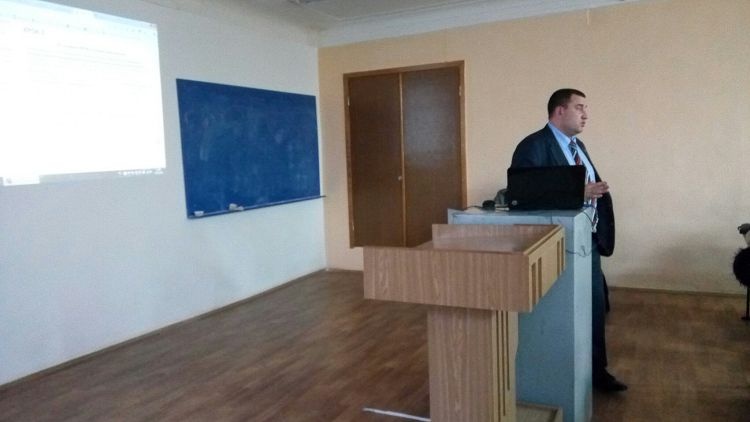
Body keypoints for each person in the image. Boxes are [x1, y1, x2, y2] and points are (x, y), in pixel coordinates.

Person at [510, 88, 627, 393]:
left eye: (586, 108)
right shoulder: (533, 146)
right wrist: (580, 192)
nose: (585, 114)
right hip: (557, 244)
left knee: (595, 307)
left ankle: (597, 372)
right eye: (579, 107)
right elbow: (522, 194)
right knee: (565, 312)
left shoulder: (578, 146)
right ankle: (562, 376)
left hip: (587, 240)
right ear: (559, 111)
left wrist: (594, 192)